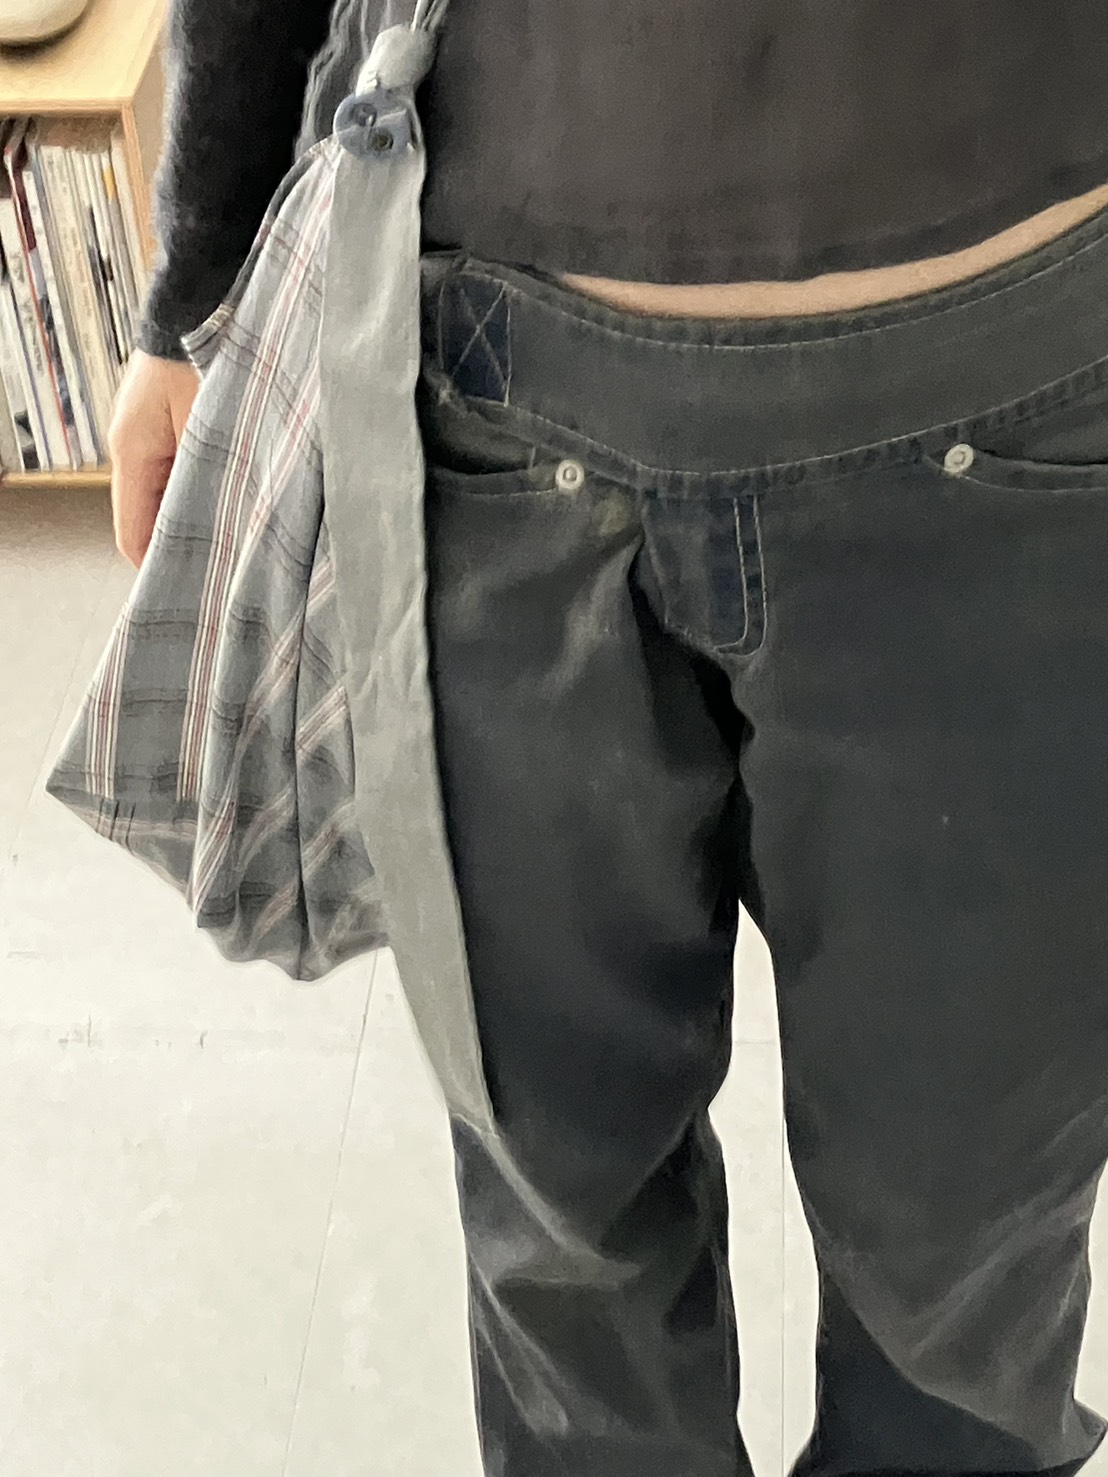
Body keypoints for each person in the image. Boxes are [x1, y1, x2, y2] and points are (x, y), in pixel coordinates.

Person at [111, 2, 1108, 1474]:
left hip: (1010, 348)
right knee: (587, 1243)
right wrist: (196, 275)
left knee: (955, 1269)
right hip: (502, 369)